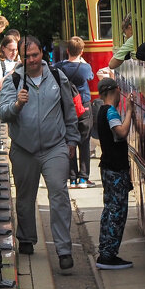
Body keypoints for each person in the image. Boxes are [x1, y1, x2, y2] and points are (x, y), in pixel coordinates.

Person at [0, 36, 79, 271]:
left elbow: (69, 109)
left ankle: (64, 249)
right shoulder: (13, 80)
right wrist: (17, 105)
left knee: (59, 194)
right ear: (21, 58)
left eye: (35, 55)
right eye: (27, 57)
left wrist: (71, 140)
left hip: (55, 147)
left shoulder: (56, 76)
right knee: (24, 196)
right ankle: (26, 238)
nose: (32, 60)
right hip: (24, 149)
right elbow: (3, 113)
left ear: (41, 54)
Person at [94, 77, 135, 270]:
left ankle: (105, 251)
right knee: (117, 211)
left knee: (109, 209)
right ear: (116, 91)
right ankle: (109, 255)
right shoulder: (110, 112)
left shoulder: (101, 111)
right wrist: (129, 112)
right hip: (116, 169)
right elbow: (121, 132)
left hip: (107, 167)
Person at [57, 37, 96, 189]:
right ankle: (83, 179)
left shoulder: (60, 67)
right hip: (84, 107)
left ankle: (72, 178)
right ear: (82, 51)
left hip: (67, 108)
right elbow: (91, 77)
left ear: (67, 50)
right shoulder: (85, 67)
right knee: (84, 142)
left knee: (69, 141)